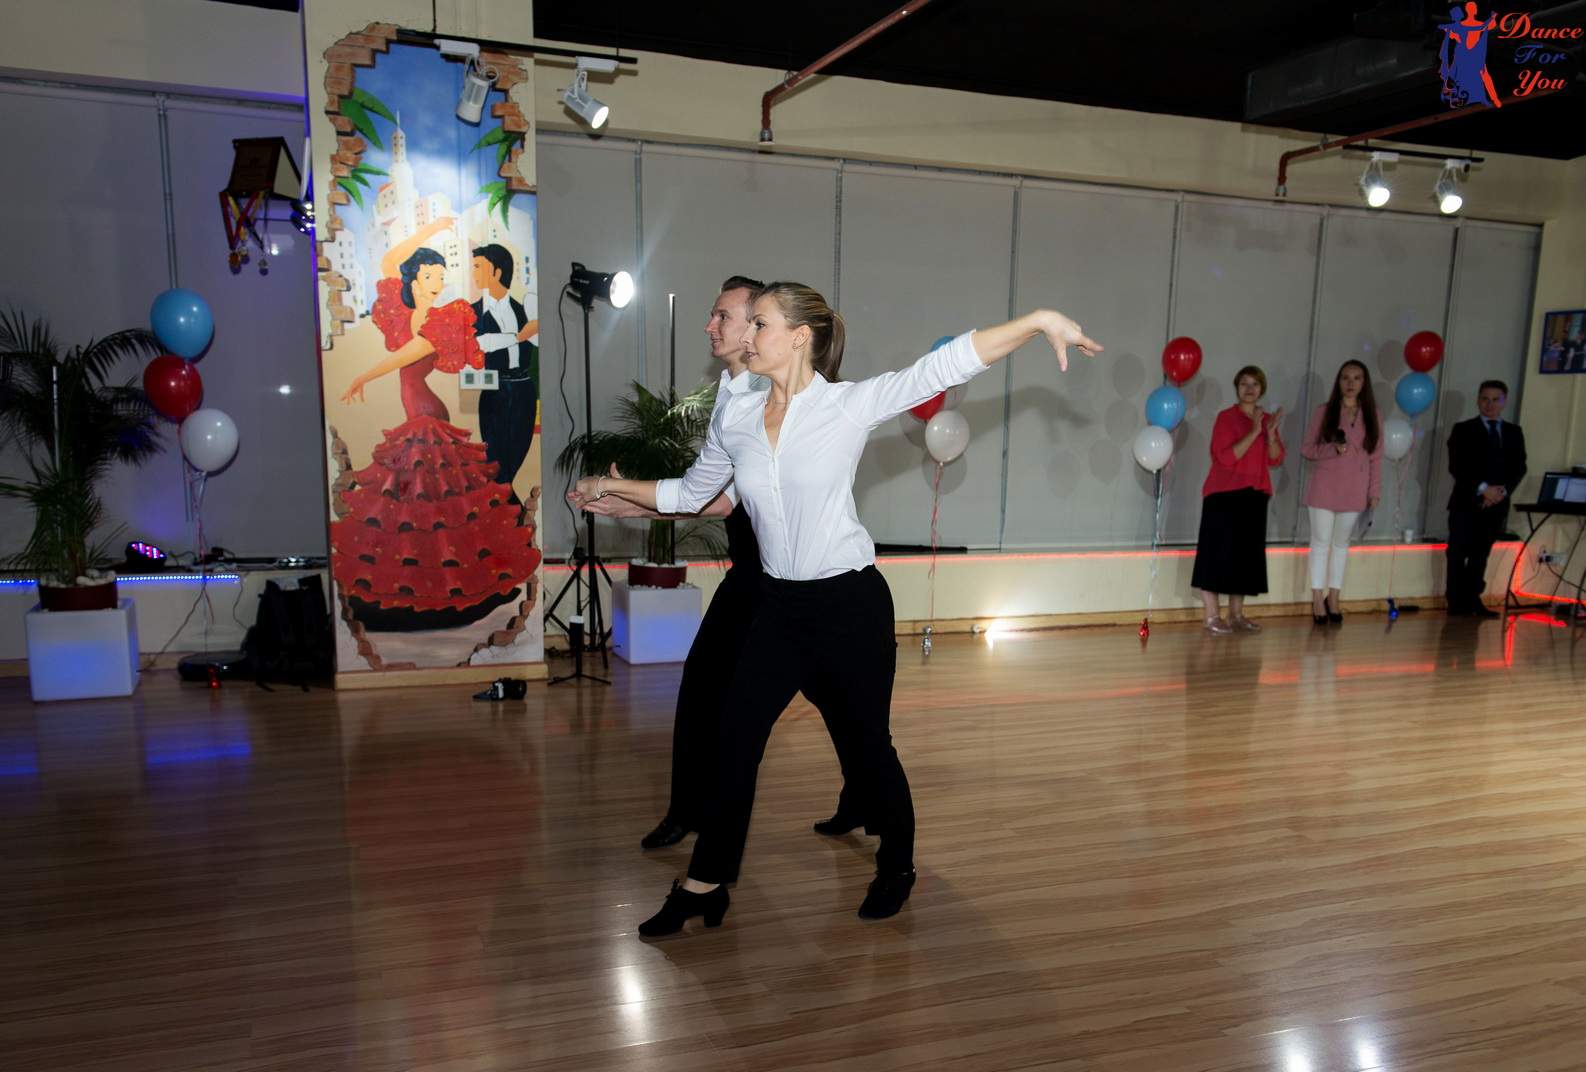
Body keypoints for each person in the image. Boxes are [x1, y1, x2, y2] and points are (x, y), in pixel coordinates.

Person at [573, 285, 1100, 934]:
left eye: (759, 324)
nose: (745, 337)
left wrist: (1039, 320)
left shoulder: (846, 406)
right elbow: (690, 492)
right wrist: (613, 486)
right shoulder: (736, 416)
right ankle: (706, 884)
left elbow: (943, 366)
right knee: (735, 741)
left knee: (868, 745)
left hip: (849, 606)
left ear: (799, 337)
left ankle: (897, 866)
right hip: (778, 607)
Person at [581, 276, 862, 851]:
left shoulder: (769, 395)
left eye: (726, 317)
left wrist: (633, 502)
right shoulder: (734, 394)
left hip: (783, 578)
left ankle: (858, 795)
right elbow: (703, 492)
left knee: (833, 699)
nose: (712, 326)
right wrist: (637, 503)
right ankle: (690, 810)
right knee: (713, 687)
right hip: (754, 575)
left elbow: (723, 500)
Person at [331, 219, 540, 630]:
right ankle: (422, 589)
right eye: (432, 275)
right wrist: (432, 229)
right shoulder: (406, 312)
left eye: (443, 276)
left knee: (434, 511)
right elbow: (391, 262)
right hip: (419, 414)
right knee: (419, 512)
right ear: (415, 279)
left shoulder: (436, 319)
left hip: (427, 417)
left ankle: (442, 590)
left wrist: (363, 376)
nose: (440, 282)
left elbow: (409, 354)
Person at [1191, 366, 1285, 635]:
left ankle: (1236, 615)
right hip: (1223, 495)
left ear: (1262, 389)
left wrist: (1271, 433)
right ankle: (1212, 616)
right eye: (1244, 383)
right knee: (1215, 556)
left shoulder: (1266, 420)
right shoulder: (1226, 418)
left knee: (1244, 558)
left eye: (1255, 384)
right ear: (1237, 388)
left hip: (1254, 495)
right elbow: (1225, 457)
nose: (1249, 388)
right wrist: (1254, 432)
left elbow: (1276, 458)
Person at [1299, 360, 1382, 625]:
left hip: (1355, 488)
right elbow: (1307, 449)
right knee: (1320, 543)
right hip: (1324, 487)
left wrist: (1374, 491)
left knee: (1341, 545)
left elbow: (1376, 457)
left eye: (1357, 378)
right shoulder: (1324, 411)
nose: (1350, 383)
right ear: (1338, 381)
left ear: (1364, 383)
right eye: (1345, 377)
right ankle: (1317, 598)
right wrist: (1331, 449)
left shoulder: (1373, 414)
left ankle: (1334, 596)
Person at [1446, 380, 1527, 618]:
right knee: (1458, 552)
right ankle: (1456, 602)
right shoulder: (1463, 429)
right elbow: (1457, 465)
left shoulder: (1513, 432)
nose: (1489, 404)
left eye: (1495, 400)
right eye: (1485, 399)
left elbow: (1519, 466)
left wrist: (1501, 492)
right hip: (1466, 502)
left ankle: (1473, 599)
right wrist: (1483, 489)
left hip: (1496, 504)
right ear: (1478, 400)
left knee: (1480, 554)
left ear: (1504, 402)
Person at [470, 244, 540, 495]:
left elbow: (537, 340)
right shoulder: (473, 313)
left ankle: (509, 510)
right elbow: (480, 343)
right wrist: (519, 336)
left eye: (479, 266)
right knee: (496, 464)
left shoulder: (523, 310)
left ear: (497, 272)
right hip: (495, 390)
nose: (474, 272)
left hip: (524, 389)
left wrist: (530, 333)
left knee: (516, 455)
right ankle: (513, 511)